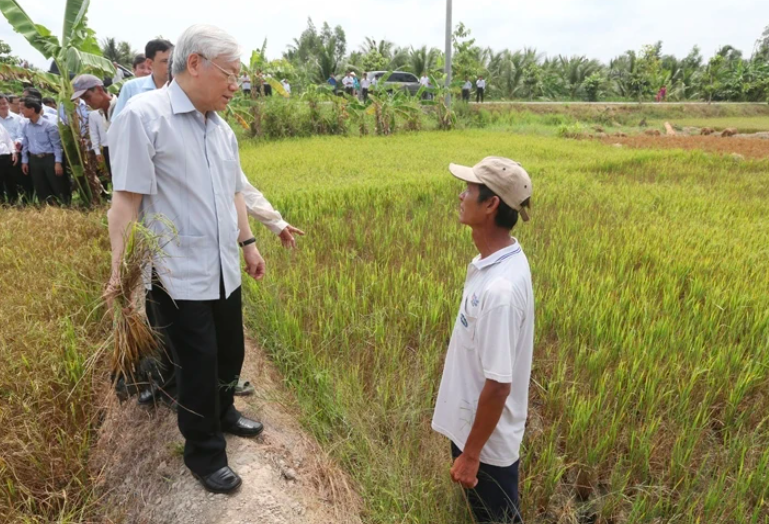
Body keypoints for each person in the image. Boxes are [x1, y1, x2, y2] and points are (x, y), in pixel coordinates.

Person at [108, 24, 269, 494]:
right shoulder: (144, 117)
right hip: (176, 276)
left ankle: (224, 412)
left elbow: (233, 192)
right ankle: (203, 452)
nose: (236, 85)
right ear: (195, 63)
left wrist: (249, 243)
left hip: (223, 266)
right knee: (195, 367)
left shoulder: (220, 129)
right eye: (231, 74)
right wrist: (118, 272)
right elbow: (126, 202)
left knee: (229, 353)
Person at [432, 156, 534, 524]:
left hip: (488, 446)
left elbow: (498, 385)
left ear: (491, 205)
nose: (461, 195)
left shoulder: (501, 289)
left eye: (470, 190)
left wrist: (472, 453)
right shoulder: (491, 262)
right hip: (475, 429)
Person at [20, 97, 69, 205]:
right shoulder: (25, 125)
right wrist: (24, 161)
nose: (21, 111)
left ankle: (65, 207)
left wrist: (58, 162)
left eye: (23, 108)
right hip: (34, 159)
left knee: (57, 185)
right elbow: (25, 144)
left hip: (49, 158)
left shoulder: (49, 126)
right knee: (40, 187)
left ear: (32, 109)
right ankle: (46, 210)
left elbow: (57, 146)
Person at [112, 39, 174, 119]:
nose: (171, 66)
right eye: (165, 61)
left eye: (173, 61)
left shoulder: (181, 88)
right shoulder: (131, 88)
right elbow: (117, 121)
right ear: (150, 63)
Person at [72, 74, 117, 177]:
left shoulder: (122, 107)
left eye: (88, 97)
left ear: (99, 89)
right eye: (84, 99)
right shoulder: (99, 113)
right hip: (109, 151)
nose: (87, 103)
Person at [0, 95, 33, 203]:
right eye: (0, 104)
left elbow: (22, 135)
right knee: (6, 182)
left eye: (5, 103)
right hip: (3, 155)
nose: (3, 106)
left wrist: (17, 143)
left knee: (22, 181)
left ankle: (27, 203)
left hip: (16, 154)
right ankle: (10, 204)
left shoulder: (17, 119)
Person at [0, 117, 19, 204]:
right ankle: (2, 204)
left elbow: (8, 140)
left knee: (10, 181)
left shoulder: (1, 126)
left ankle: (14, 203)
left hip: (5, 156)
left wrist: (13, 152)